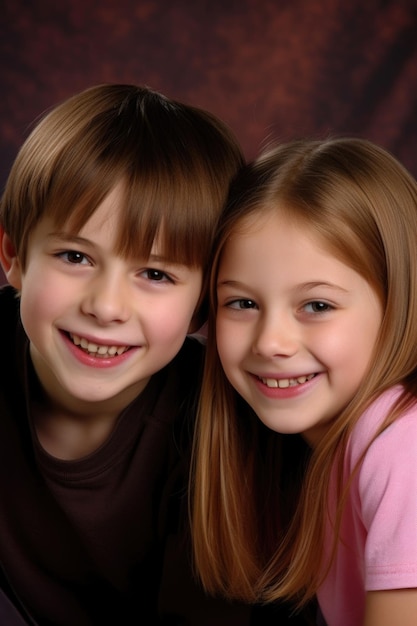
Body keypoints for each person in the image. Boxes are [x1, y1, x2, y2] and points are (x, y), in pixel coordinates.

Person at [0, 82, 256, 626]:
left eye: (156, 274)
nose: (107, 306)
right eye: (75, 256)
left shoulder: (218, 432)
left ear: (202, 305)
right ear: (13, 255)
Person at [190, 137, 417, 626]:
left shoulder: (401, 442)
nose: (272, 342)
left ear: (398, 303)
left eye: (317, 305)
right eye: (242, 303)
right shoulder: (322, 455)